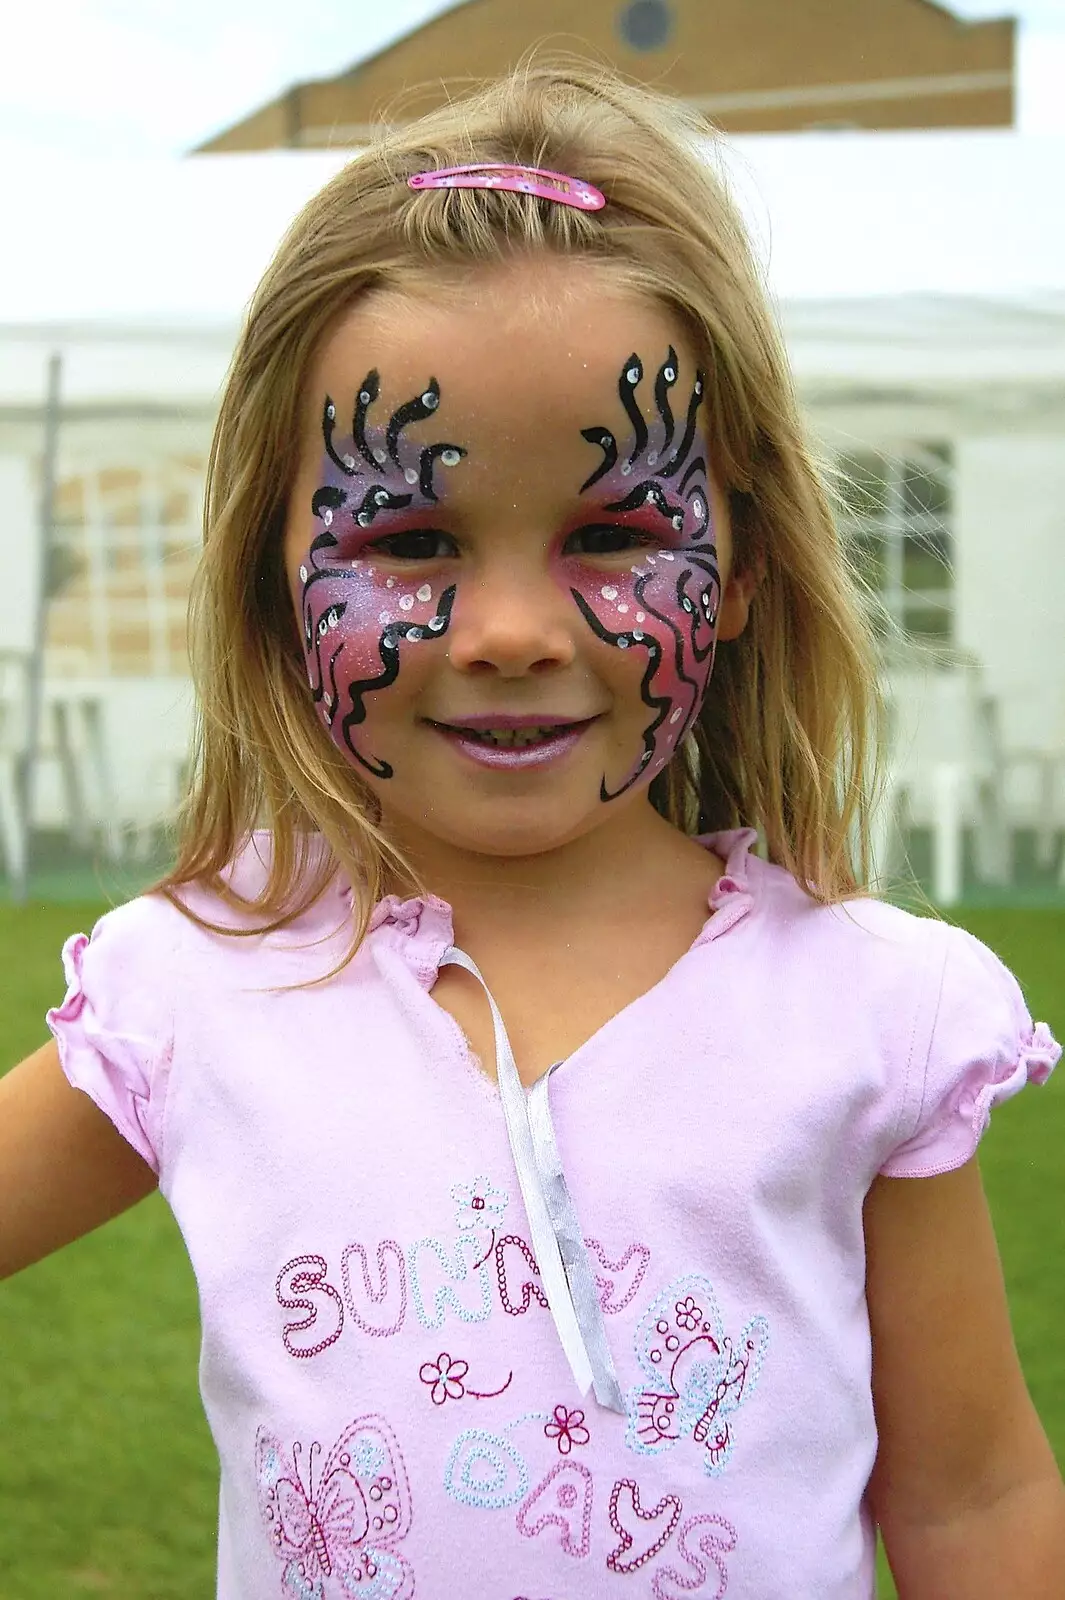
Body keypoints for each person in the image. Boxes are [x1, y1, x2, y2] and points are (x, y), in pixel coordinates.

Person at [1, 61, 1062, 1600]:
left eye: (617, 534)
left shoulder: (877, 1014)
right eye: (410, 538)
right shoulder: (192, 991)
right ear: (268, 580)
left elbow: (971, 1497)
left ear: (746, 567)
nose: (507, 629)